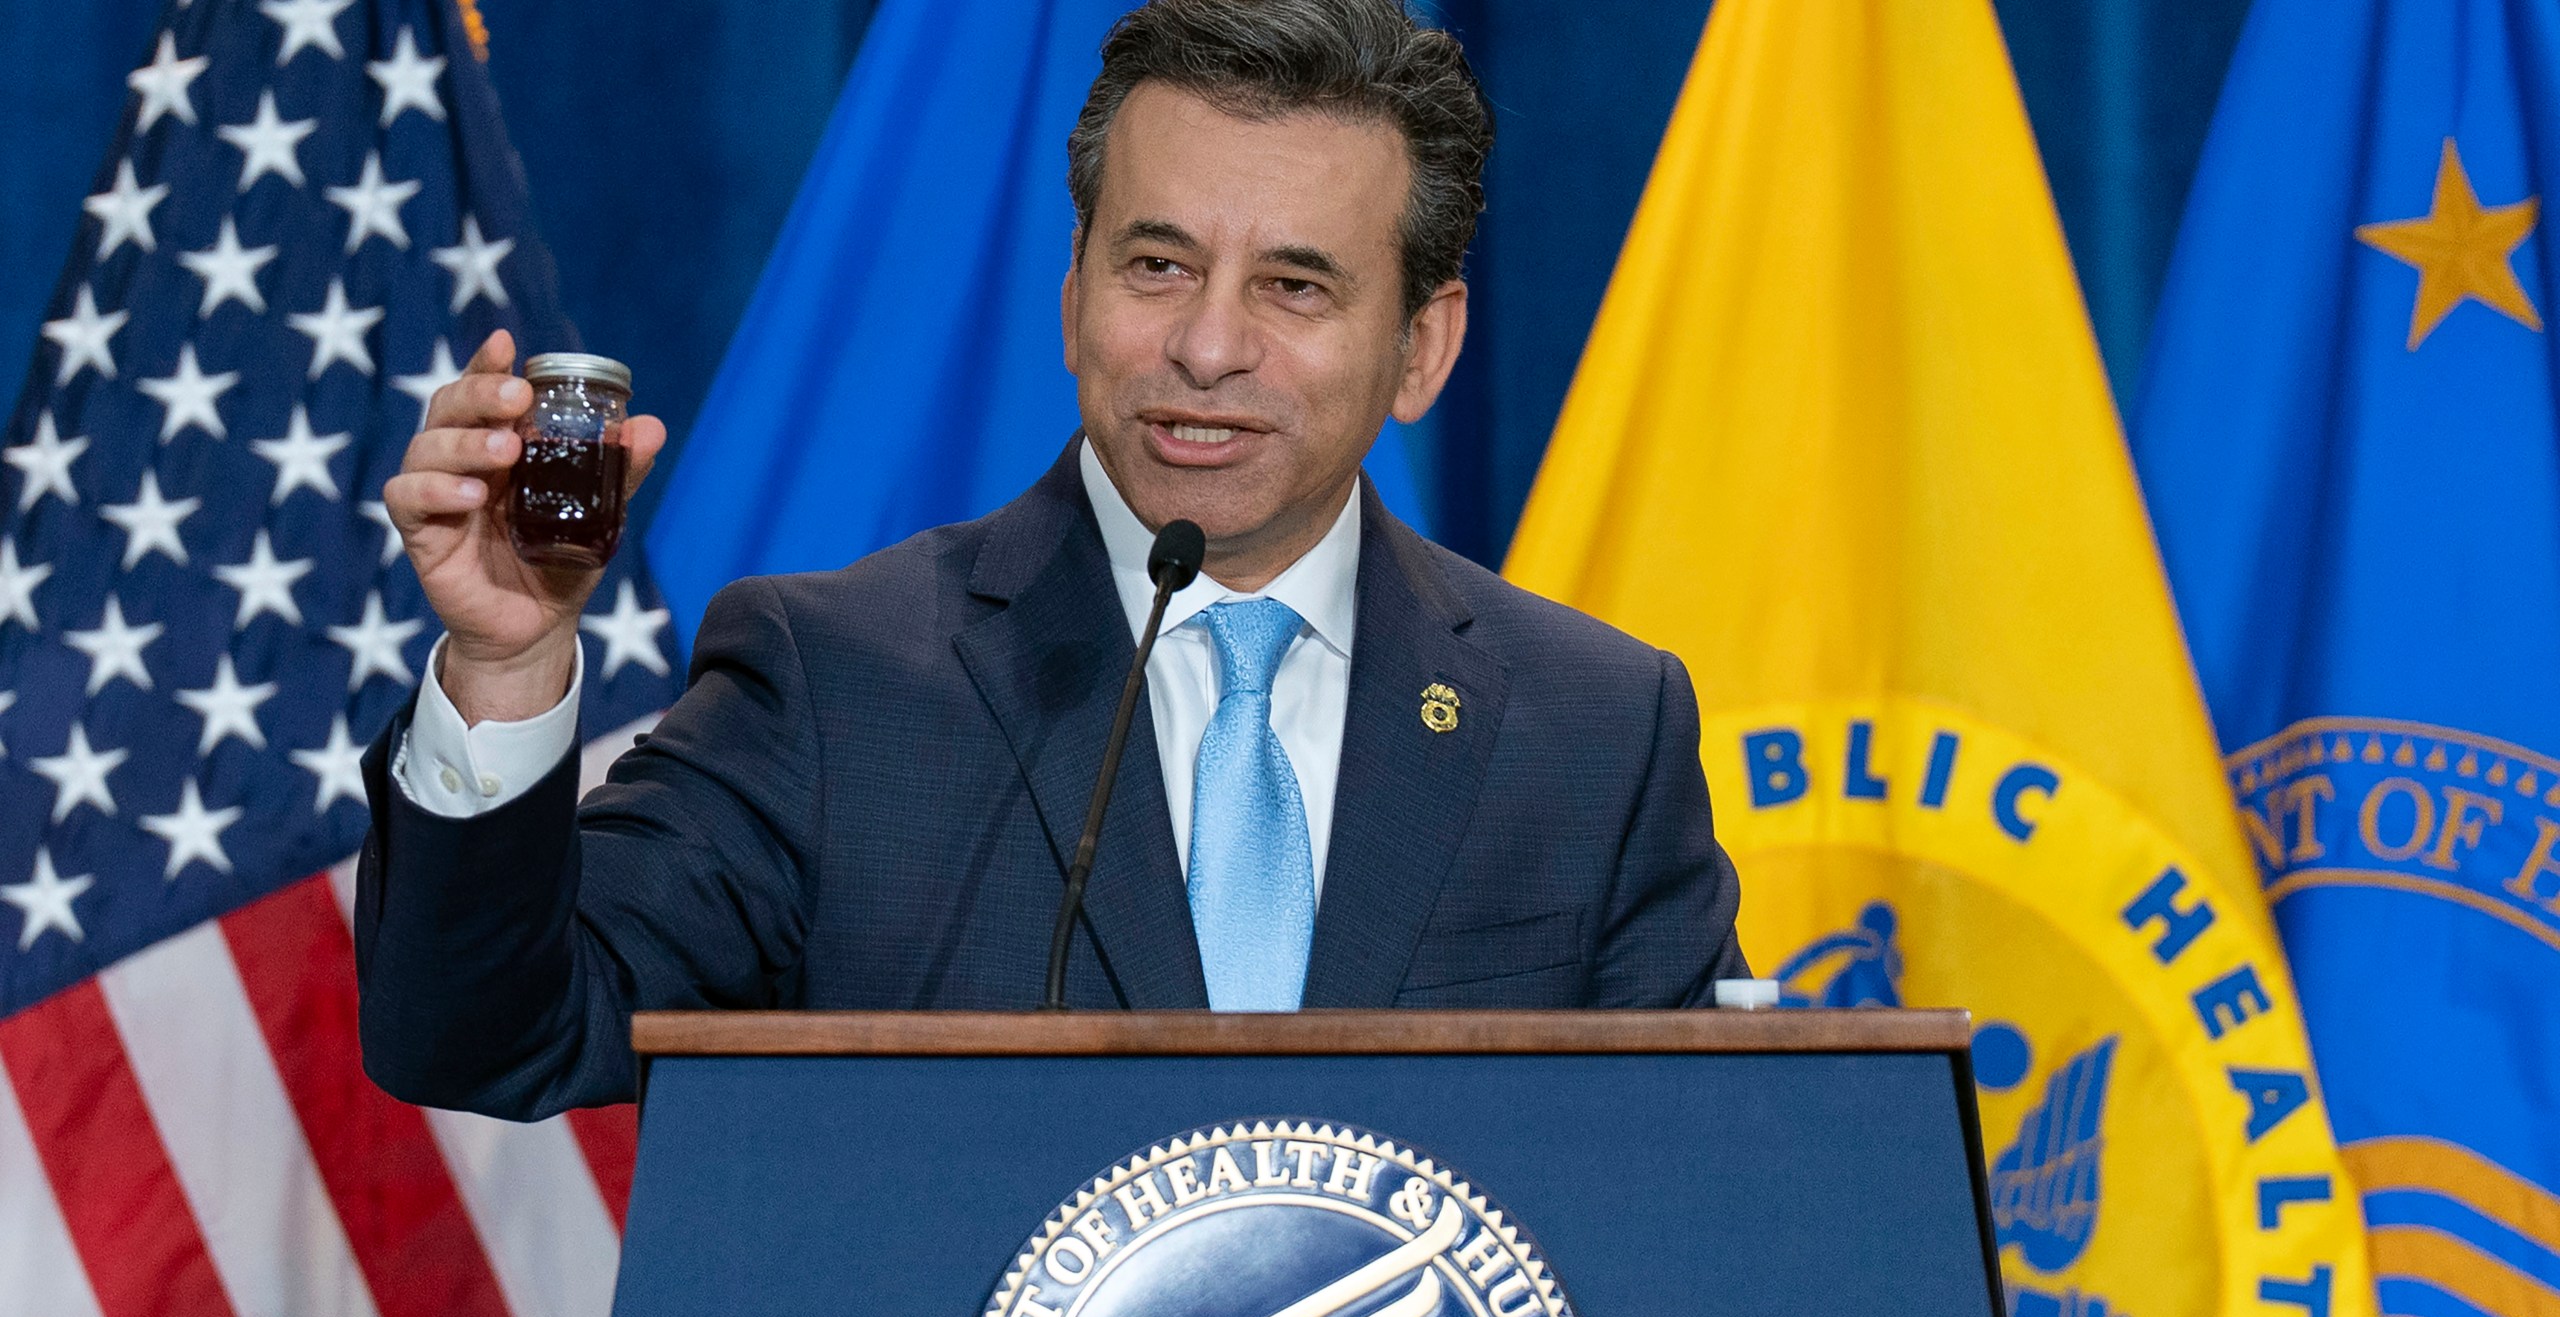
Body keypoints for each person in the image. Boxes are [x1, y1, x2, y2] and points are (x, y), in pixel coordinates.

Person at [358, 0, 1746, 1121]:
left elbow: (1699, 1195)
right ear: (1074, 293)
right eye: (1157, 266)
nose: (1208, 346)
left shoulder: (1591, 732)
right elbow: (495, 1040)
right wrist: (508, 662)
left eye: (1295, 286)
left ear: (1422, 348)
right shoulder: (836, 682)